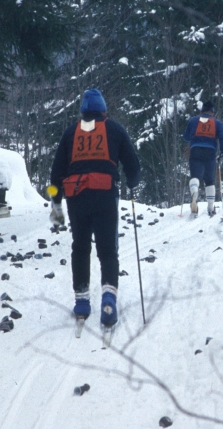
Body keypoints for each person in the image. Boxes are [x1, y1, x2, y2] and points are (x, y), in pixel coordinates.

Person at [49, 88, 140, 328]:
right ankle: (108, 300)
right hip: (105, 196)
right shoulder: (115, 129)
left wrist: (55, 203)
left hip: (76, 199)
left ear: (83, 112)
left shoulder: (71, 133)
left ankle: (81, 303)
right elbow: (133, 165)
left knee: (80, 248)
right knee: (108, 251)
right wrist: (133, 181)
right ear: (103, 110)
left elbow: (56, 173)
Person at [182, 100, 223, 217]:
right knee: (209, 179)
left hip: (195, 150)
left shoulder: (194, 120)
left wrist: (194, 137)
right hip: (210, 152)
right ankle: (210, 208)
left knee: (195, 176)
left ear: (201, 111)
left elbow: (186, 137)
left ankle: (194, 194)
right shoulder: (217, 123)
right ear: (212, 112)